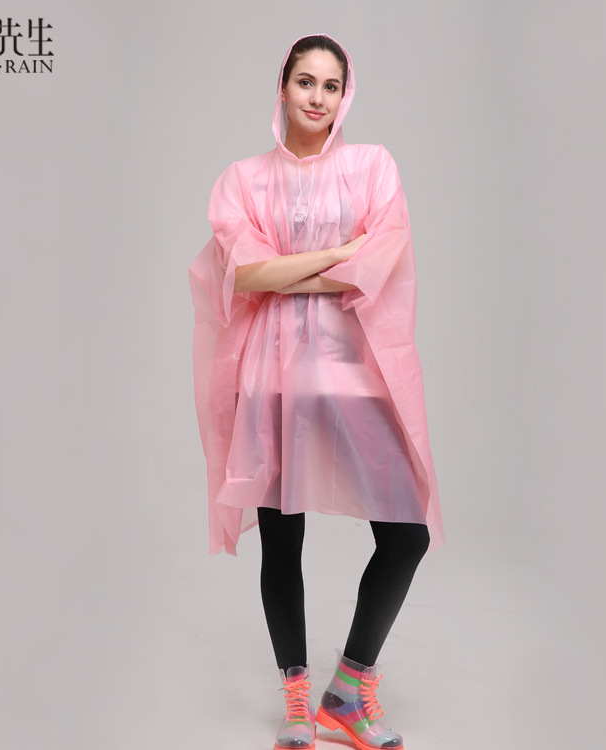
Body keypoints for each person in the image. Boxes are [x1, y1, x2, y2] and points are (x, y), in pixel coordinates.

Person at [189, 33, 445, 750]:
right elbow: (245, 274)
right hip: (270, 378)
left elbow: (376, 264)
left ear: (345, 96)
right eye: (306, 81)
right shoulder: (243, 180)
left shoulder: (372, 167)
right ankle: (299, 702)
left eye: (331, 86)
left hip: (351, 372)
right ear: (282, 87)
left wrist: (290, 267)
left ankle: (349, 688)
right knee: (282, 540)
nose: (318, 97)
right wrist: (338, 253)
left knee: (407, 532)